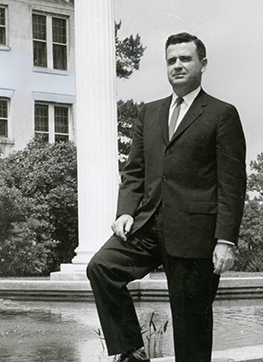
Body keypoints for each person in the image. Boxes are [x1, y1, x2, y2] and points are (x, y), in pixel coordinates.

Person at [86, 32, 246, 362]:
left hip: (195, 235)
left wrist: (225, 240)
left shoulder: (221, 114)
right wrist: (125, 211)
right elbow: (134, 171)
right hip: (146, 226)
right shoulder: (150, 113)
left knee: (191, 332)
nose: (177, 65)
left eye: (185, 59)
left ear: (202, 64)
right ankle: (131, 348)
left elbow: (231, 184)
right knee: (102, 268)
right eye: (171, 60)